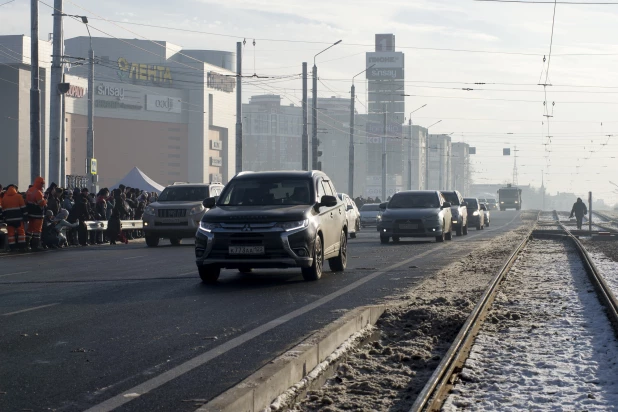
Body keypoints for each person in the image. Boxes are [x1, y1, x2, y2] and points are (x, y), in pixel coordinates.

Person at [2, 184, 28, 251]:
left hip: (9, 220)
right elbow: (23, 208)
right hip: (18, 219)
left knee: (11, 234)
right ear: (15, 189)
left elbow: (3, 210)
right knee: (21, 233)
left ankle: (12, 247)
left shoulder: (4, 198)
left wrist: (4, 218)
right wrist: (25, 216)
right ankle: (22, 247)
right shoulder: (19, 196)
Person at [26, 176, 48, 251]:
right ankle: (35, 246)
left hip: (30, 213)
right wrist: (45, 200)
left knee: (29, 230)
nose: (43, 186)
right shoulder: (38, 192)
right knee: (37, 231)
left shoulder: (30, 190)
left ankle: (27, 245)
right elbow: (41, 203)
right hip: (38, 214)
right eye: (42, 184)